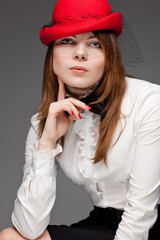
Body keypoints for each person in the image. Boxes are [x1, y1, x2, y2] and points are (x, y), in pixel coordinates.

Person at [0, 0, 160, 239]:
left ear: (110, 54)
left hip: (149, 222)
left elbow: (141, 213)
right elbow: (28, 227)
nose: (80, 53)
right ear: (52, 53)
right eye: (67, 41)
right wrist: (47, 143)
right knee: (11, 237)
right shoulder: (46, 122)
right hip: (104, 222)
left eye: (94, 43)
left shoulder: (149, 102)